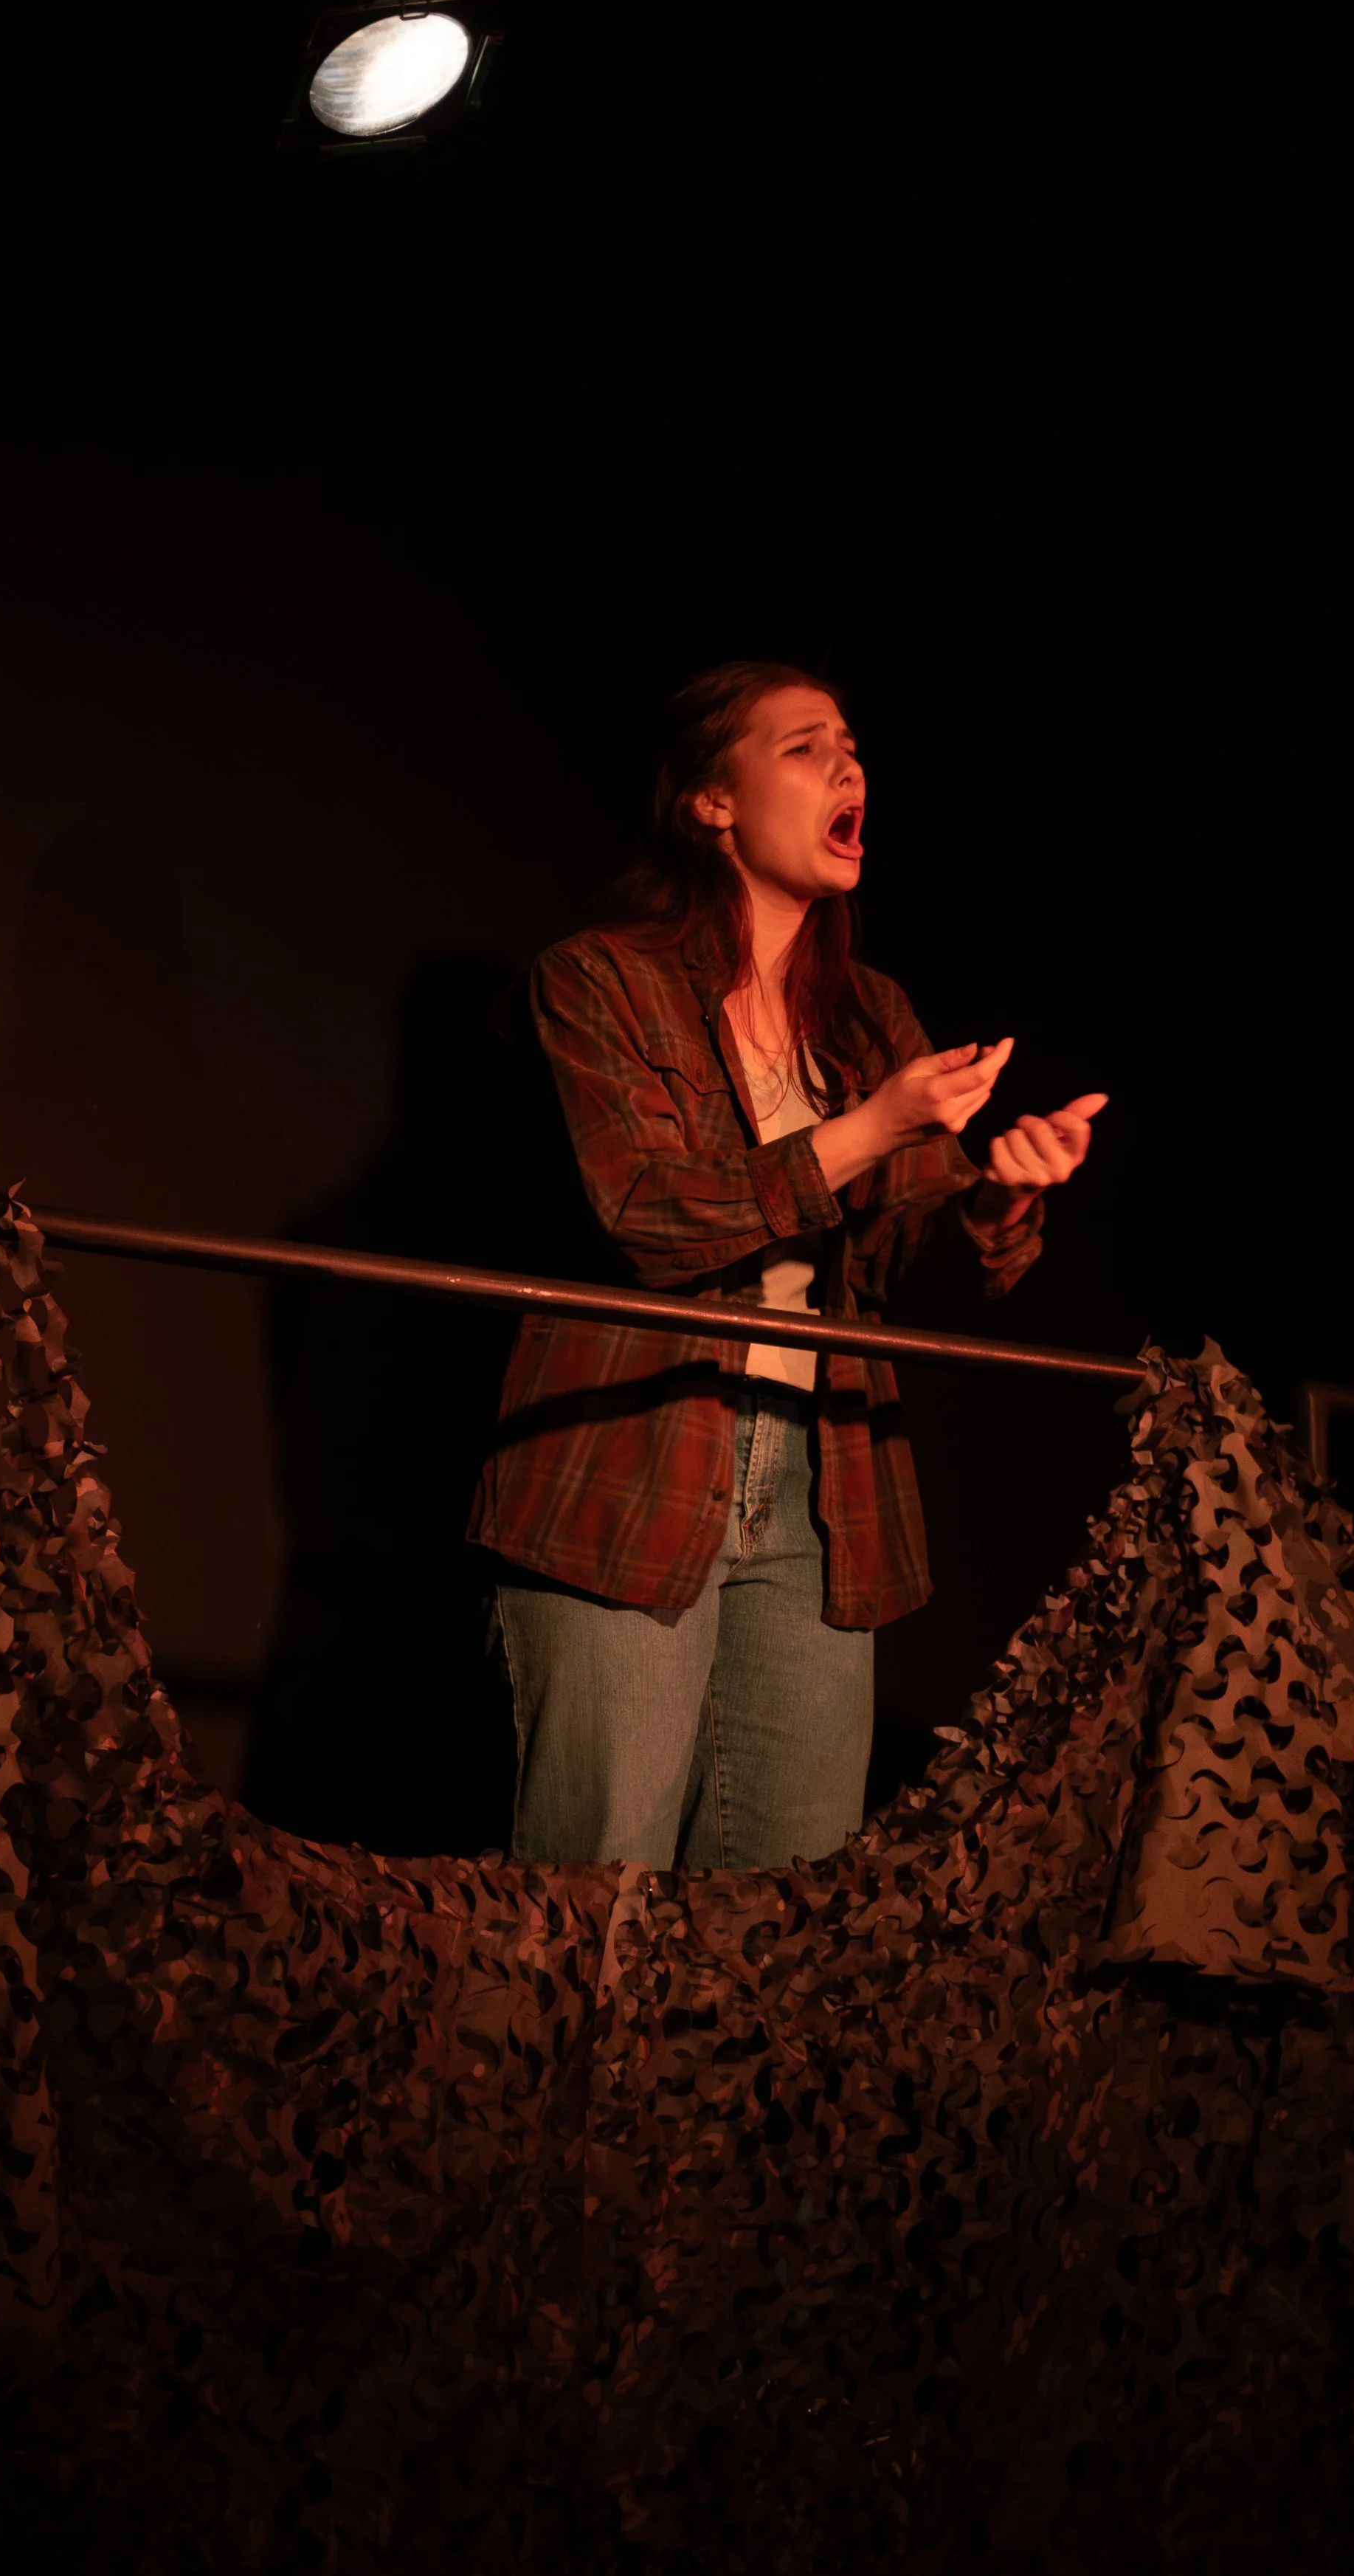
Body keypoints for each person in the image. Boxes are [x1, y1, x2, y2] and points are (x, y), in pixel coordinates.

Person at [471, 661, 1105, 1869]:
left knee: (785, 1918)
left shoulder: (872, 1016)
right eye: (808, 747)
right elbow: (648, 1214)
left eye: (855, 747)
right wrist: (869, 1126)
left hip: (825, 1480)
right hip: (638, 1457)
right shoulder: (602, 979)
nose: (849, 767)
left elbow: (919, 1261)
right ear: (714, 800)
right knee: (595, 1908)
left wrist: (1002, 1196)